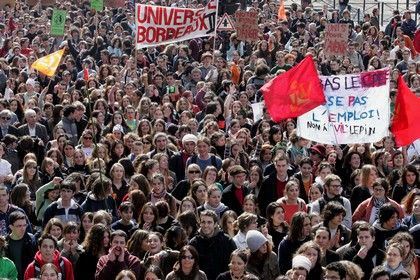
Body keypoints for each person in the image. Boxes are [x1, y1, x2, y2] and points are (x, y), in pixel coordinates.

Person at [189, 210, 236, 280]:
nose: (206, 225)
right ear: (200, 224)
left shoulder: (227, 241)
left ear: (215, 224)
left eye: (209, 222)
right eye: (203, 222)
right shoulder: (194, 243)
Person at [5, 211, 37, 280]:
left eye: (25, 225)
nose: (23, 229)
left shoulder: (32, 240)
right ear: (11, 227)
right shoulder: (4, 242)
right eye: (19, 226)